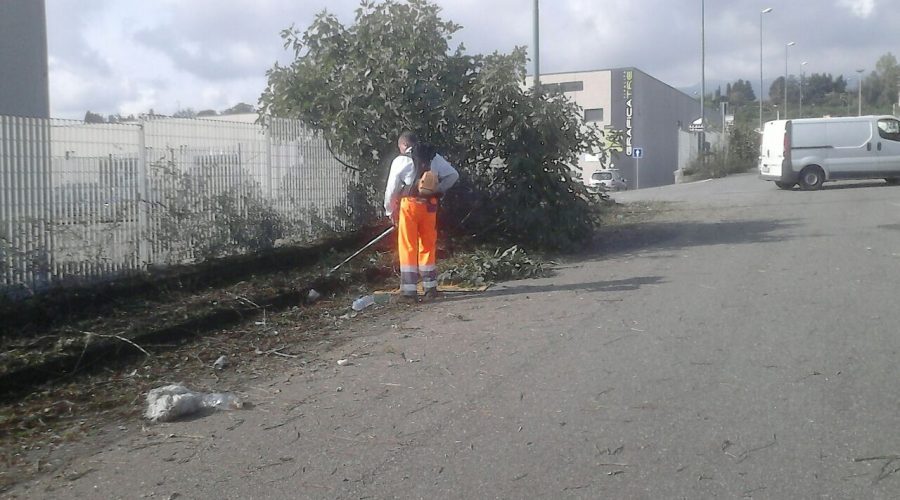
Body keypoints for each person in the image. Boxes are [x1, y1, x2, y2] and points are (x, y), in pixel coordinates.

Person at [383, 131, 459, 303]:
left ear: (403, 145)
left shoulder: (401, 160)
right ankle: (430, 288)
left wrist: (390, 210)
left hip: (410, 206)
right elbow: (453, 175)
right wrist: (438, 190)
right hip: (430, 205)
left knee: (408, 245)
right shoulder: (434, 157)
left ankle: (409, 293)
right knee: (428, 244)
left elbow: (391, 189)